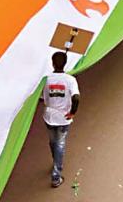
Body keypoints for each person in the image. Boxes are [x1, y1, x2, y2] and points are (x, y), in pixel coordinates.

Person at [42, 51, 80, 188]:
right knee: (60, 144)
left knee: (53, 142)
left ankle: (55, 161)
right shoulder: (70, 80)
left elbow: (44, 98)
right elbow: (76, 97)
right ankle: (56, 175)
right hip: (63, 118)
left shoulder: (46, 79)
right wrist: (72, 113)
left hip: (49, 117)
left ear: (52, 63)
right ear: (65, 63)